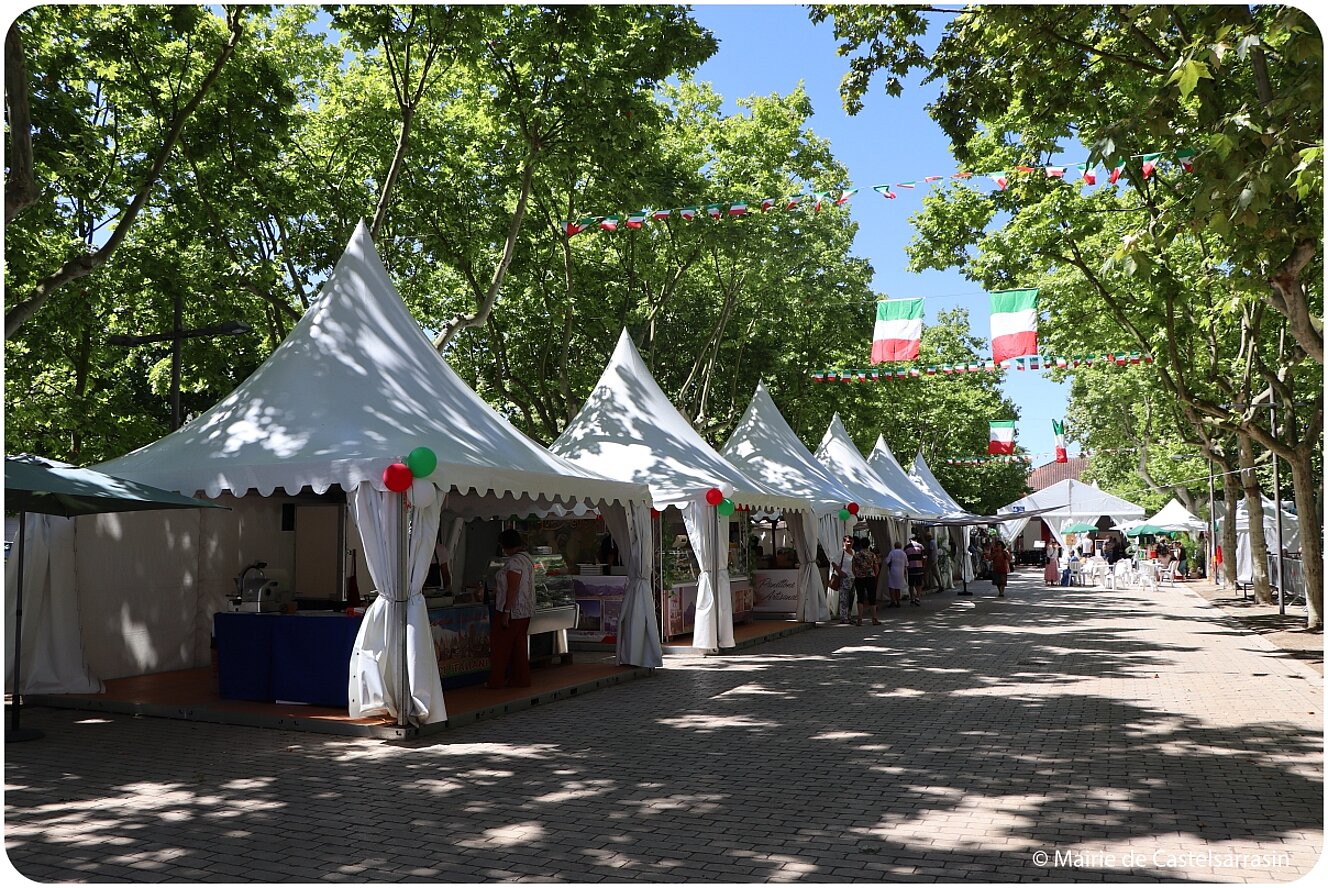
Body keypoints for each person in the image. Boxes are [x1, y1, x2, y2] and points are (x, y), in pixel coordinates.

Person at [487, 528, 536, 689]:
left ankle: (496, 680)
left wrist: (506, 612)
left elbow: (513, 588)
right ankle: (520, 679)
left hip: (512, 610)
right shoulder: (527, 558)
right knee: (519, 646)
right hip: (525, 609)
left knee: (501, 647)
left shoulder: (514, 562)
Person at [852, 538, 879, 625]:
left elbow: (853, 567)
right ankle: (874, 618)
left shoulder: (856, 555)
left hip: (859, 577)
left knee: (860, 598)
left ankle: (859, 619)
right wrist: (874, 574)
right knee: (872, 598)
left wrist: (856, 574)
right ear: (868, 544)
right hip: (870, 577)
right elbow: (876, 567)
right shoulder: (872, 555)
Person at [833, 535, 856, 624]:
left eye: (851, 541)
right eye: (847, 541)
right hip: (844, 578)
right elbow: (834, 562)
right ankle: (843, 617)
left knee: (851, 597)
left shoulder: (853, 552)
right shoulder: (841, 553)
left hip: (852, 577)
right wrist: (840, 572)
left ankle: (849, 616)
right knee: (844, 598)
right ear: (844, 542)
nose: (849, 543)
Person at [904, 535, 927, 606]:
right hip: (919, 567)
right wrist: (923, 564)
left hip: (910, 568)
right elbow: (924, 557)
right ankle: (918, 597)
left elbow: (905, 558)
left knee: (911, 584)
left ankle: (912, 598)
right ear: (916, 539)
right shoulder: (920, 546)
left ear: (910, 539)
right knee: (919, 584)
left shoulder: (906, 547)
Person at [884, 540, 907, 609]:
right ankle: (898, 601)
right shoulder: (903, 553)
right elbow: (906, 564)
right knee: (898, 587)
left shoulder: (892, 552)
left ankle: (893, 601)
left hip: (893, 571)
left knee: (892, 586)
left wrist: (890, 566)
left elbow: (887, 561)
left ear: (894, 546)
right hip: (901, 572)